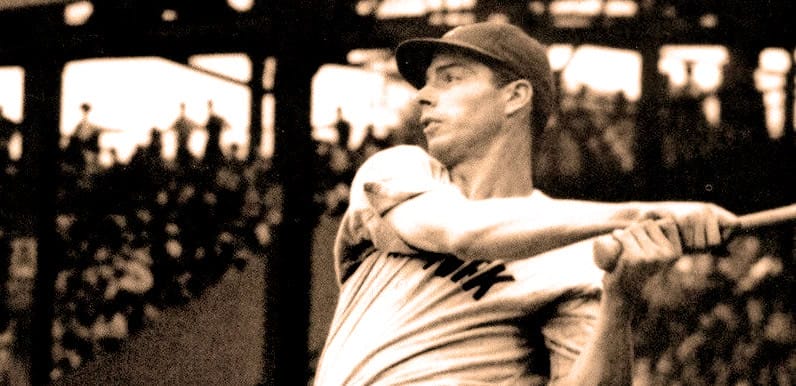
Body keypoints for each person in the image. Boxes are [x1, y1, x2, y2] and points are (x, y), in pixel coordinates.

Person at [313, 21, 738, 385]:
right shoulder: (399, 167)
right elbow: (463, 232)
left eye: (449, 77)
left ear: (515, 96)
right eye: (425, 82)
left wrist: (619, 299)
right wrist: (644, 213)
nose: (423, 94)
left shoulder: (574, 260)